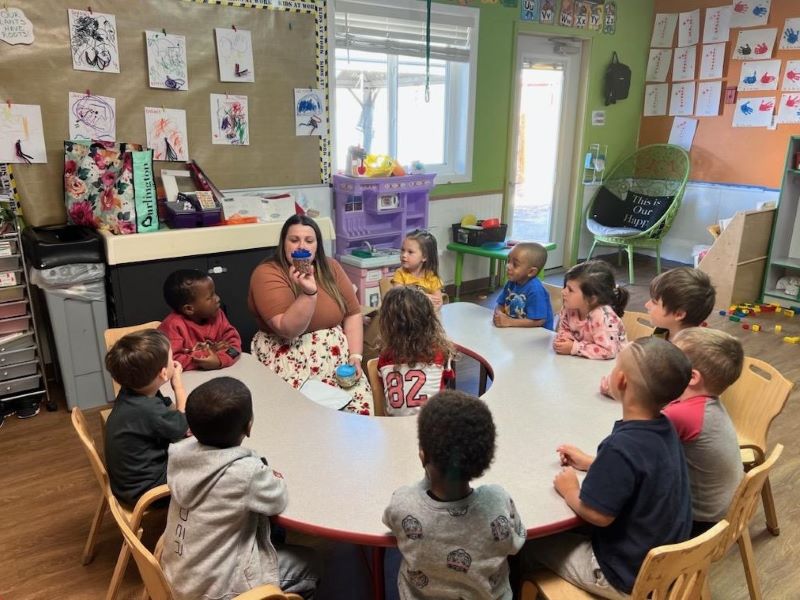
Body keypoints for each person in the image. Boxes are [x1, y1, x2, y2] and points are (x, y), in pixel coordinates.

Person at [518, 338, 693, 598]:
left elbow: (598, 515)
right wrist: (592, 463)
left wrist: (570, 491)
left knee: (526, 547)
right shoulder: (664, 428)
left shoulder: (620, 447)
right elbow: (644, 471)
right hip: (667, 563)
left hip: (623, 575)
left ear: (621, 381)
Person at [161, 377, 319, 600]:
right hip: (217, 591)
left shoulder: (180, 453)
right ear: (249, 426)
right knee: (311, 564)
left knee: (272, 533)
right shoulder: (246, 473)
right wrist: (271, 474)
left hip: (178, 575)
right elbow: (277, 500)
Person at [383, 390, 526, 599]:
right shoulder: (498, 500)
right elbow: (517, 542)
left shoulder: (403, 503)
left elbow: (390, 522)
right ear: (484, 459)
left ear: (423, 456)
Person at [248, 214, 372, 415]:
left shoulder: (331, 267)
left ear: (317, 245)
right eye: (294, 240)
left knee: (357, 418)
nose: (301, 247)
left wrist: (356, 356)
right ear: (284, 243)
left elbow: (353, 313)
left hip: (337, 364)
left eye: (309, 240)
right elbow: (287, 329)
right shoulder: (267, 273)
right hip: (290, 361)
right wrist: (308, 293)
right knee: (307, 422)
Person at [665, 327, 744, 536]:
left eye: (669, 357)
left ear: (691, 377)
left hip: (697, 523)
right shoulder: (706, 402)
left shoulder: (681, 415)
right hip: (724, 513)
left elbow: (635, 451)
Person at [104, 329, 188, 506]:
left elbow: (164, 406)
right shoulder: (147, 410)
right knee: (207, 468)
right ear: (164, 373)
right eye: (171, 360)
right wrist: (178, 385)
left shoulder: (131, 392)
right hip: (147, 492)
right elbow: (184, 426)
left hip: (127, 484)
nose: (174, 363)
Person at [376, 286, 455, 416]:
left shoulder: (384, 356)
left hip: (395, 425)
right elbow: (446, 380)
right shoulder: (439, 352)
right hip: (433, 425)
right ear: (429, 321)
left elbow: (384, 385)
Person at [158, 269, 242, 371]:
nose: (218, 298)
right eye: (210, 296)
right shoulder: (173, 326)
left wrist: (219, 360)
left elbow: (235, 345)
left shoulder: (217, 314)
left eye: (215, 293)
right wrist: (207, 354)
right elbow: (170, 361)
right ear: (189, 309)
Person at [553, 260, 628, 359]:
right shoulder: (570, 307)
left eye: (570, 290)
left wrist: (574, 347)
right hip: (582, 362)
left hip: (611, 366)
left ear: (592, 299)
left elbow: (609, 351)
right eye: (565, 287)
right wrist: (564, 340)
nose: (563, 292)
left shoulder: (603, 317)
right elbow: (564, 329)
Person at [492, 242, 553, 330]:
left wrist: (509, 322)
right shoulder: (511, 282)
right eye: (508, 261)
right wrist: (498, 314)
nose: (508, 266)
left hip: (536, 337)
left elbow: (538, 321)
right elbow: (500, 304)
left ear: (531, 272)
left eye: (515, 265)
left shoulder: (535, 290)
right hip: (515, 331)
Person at [645, 266, 716, 341]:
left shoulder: (691, 351)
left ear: (679, 314)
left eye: (654, 302)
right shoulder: (662, 330)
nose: (646, 305)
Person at [391, 229, 445, 308]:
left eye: (410, 252)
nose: (404, 255)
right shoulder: (400, 273)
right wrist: (423, 298)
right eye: (403, 250)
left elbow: (438, 303)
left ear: (424, 257)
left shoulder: (432, 277)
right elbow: (399, 296)